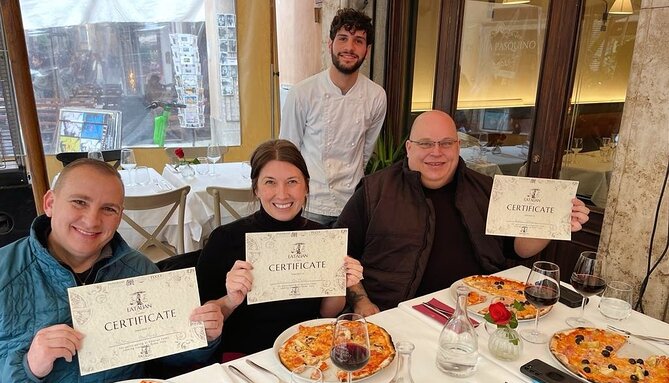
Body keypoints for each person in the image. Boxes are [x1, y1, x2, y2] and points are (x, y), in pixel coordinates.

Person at [0, 159, 223, 383]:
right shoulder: (6, 273)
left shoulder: (139, 270)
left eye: (108, 208)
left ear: (121, 215)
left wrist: (203, 335)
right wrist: (28, 366)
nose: (92, 220)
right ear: (50, 203)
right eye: (79, 202)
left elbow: (171, 355)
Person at [336, 110, 591, 316]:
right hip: (399, 313)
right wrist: (361, 302)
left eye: (446, 143)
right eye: (426, 143)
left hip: (480, 310)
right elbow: (339, 254)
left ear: (458, 146)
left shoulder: (487, 188)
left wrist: (552, 222)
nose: (436, 152)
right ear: (409, 148)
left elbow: (519, 249)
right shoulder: (374, 191)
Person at [196, 139, 363, 357]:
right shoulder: (225, 239)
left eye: (292, 182)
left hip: (309, 349)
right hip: (246, 357)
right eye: (270, 182)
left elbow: (326, 312)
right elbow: (202, 320)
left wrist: (340, 284)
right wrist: (229, 300)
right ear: (256, 188)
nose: (282, 194)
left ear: (306, 186)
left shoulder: (323, 239)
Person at [279, 8, 387, 227]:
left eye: (358, 41)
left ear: (367, 50)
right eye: (343, 38)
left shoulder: (376, 96)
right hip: (310, 204)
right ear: (330, 44)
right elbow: (288, 151)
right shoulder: (303, 93)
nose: (349, 47)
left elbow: (365, 152)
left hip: (352, 204)